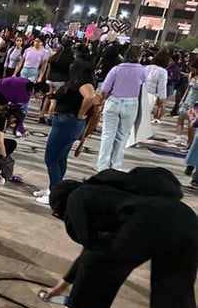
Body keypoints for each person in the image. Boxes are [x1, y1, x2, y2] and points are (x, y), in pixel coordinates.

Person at [41, 169, 198, 308]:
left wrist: (62, 287)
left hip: (151, 223)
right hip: (187, 221)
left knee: (97, 264)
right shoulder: (110, 192)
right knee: (177, 292)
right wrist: (60, 287)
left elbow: (89, 250)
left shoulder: (77, 198)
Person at [34, 59, 96, 204]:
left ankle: (55, 194)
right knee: (60, 158)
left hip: (68, 122)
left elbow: (91, 97)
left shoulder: (84, 82)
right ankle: (56, 189)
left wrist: (81, 113)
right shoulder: (75, 82)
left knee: (51, 158)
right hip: (66, 122)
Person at [96, 45, 145, 173]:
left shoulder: (116, 69)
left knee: (107, 135)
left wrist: (102, 100)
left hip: (113, 101)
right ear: (139, 56)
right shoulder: (142, 70)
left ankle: (102, 166)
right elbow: (146, 89)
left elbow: (104, 90)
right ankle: (116, 166)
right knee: (122, 136)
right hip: (131, 103)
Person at [145, 49, 170, 124]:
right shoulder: (163, 71)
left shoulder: (147, 67)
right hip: (151, 95)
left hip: (142, 92)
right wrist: (163, 99)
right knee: (146, 113)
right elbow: (162, 86)